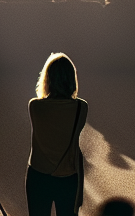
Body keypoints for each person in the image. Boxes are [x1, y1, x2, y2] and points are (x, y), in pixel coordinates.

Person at [26, 53, 87, 216]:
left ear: (47, 79)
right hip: (67, 175)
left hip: (38, 175)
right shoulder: (81, 108)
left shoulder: (35, 106)